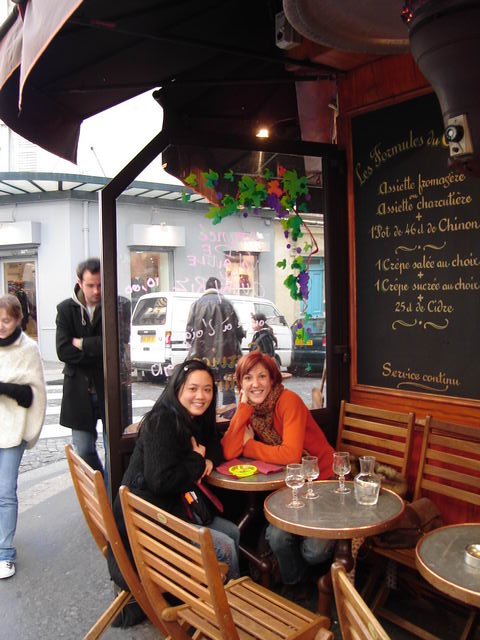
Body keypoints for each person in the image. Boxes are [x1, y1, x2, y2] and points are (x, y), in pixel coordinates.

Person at [108, 358, 240, 597]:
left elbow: (213, 446)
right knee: (225, 547)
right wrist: (197, 460)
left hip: (166, 512)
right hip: (146, 528)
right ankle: (222, 611)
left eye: (207, 389)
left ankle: (222, 601)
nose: (201, 396)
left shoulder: (191, 418)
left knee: (233, 532)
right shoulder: (162, 422)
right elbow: (161, 480)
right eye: (193, 388)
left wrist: (206, 459)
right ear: (178, 389)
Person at [221, 351, 335, 593]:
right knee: (277, 538)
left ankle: (312, 575)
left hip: (322, 482)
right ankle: (297, 586)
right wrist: (242, 410)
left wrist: (250, 446)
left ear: (273, 379)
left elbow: (291, 456)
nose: (255, 384)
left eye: (262, 376)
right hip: (291, 487)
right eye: (248, 378)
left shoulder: (288, 401)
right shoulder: (251, 409)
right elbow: (230, 450)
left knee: (315, 551)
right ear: (240, 383)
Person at [0, 294, 46, 579]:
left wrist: (4, 387)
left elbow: (32, 395)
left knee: (5, 492)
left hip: (14, 429)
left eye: (6, 320)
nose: (1, 326)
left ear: (18, 319)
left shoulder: (29, 350)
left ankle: (5, 553)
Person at [56, 258, 106, 478]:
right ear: (80, 282)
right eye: (91, 285)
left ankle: (113, 499)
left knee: (115, 449)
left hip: (108, 389)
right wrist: (98, 349)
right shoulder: (66, 309)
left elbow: (116, 345)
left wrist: (83, 343)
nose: (97, 290)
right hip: (79, 392)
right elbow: (63, 350)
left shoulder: (117, 305)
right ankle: (104, 490)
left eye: (100, 284)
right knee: (84, 451)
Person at [186, 277, 244, 405]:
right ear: (219, 288)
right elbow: (238, 330)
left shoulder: (196, 305)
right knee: (228, 387)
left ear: (206, 288)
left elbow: (189, 333)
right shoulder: (227, 304)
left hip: (203, 356)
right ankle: (228, 419)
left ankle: (211, 417)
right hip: (227, 354)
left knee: (208, 387)